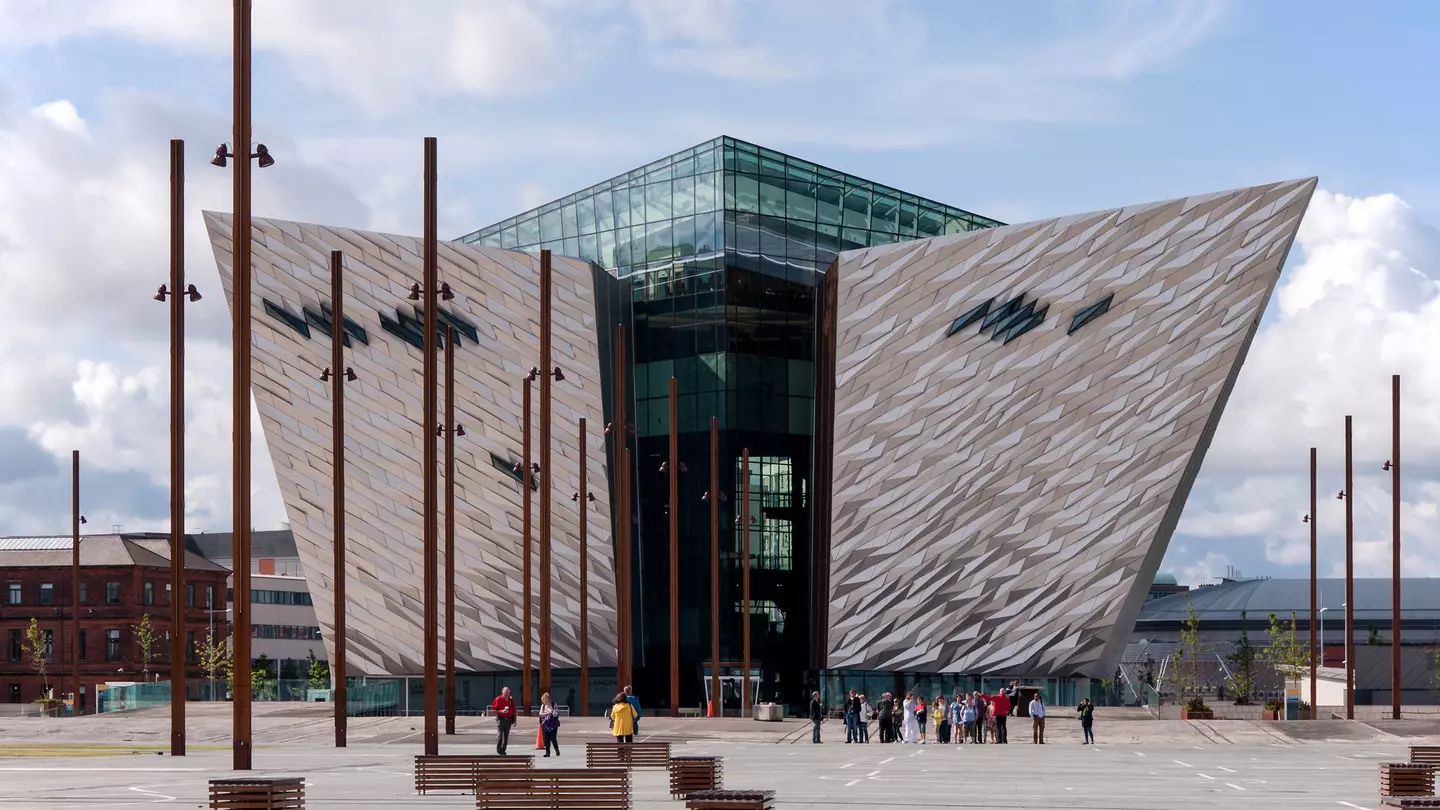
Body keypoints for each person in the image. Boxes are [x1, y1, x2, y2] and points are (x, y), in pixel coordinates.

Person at [490, 686, 517, 755]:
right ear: (502, 692)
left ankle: (503, 750)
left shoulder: (511, 700)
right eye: (505, 692)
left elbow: (514, 711)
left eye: (508, 692)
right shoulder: (498, 699)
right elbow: (493, 709)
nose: (507, 694)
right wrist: (501, 711)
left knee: (506, 737)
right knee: (500, 736)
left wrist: (515, 721)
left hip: (508, 720)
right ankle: (499, 751)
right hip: (500, 719)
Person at [539, 692, 561, 757]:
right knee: (546, 739)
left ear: (548, 699)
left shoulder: (554, 705)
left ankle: (556, 749)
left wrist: (548, 713)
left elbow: (555, 714)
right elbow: (540, 714)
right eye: (543, 700)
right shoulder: (542, 706)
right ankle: (547, 752)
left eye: (544, 699)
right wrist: (548, 713)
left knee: (553, 738)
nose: (543, 701)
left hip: (553, 724)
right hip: (545, 725)